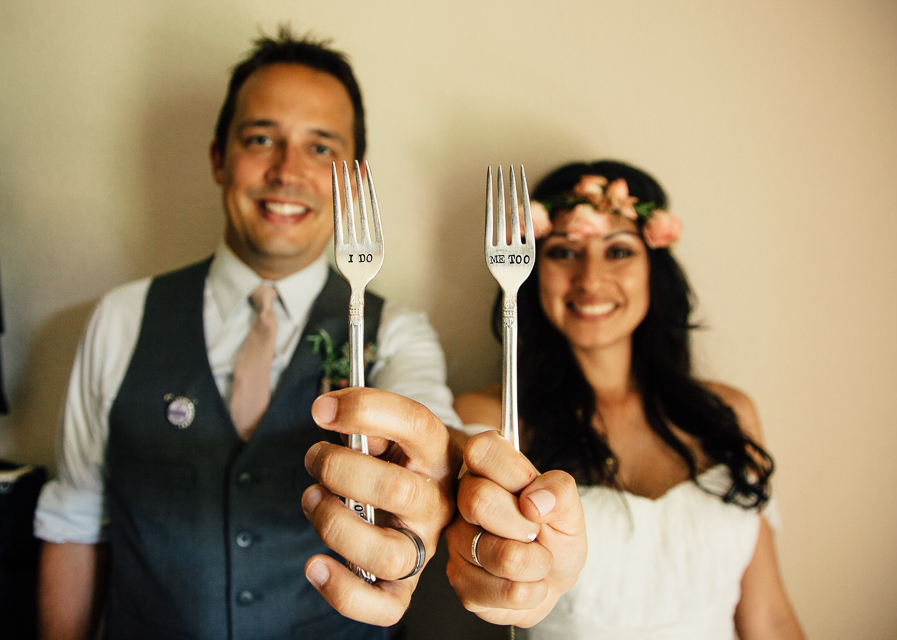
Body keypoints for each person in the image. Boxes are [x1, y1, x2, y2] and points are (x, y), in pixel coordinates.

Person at [33, 29, 584, 639]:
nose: (287, 170)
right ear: (219, 157)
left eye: (321, 149)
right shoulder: (121, 318)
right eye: (261, 138)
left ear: (354, 182)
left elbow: (433, 439)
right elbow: (77, 521)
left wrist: (453, 500)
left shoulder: (398, 331)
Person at [453, 160, 805, 639]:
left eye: (618, 250)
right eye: (563, 252)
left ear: (653, 271)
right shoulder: (489, 422)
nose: (591, 279)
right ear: (533, 271)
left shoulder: (730, 414)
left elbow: (769, 617)